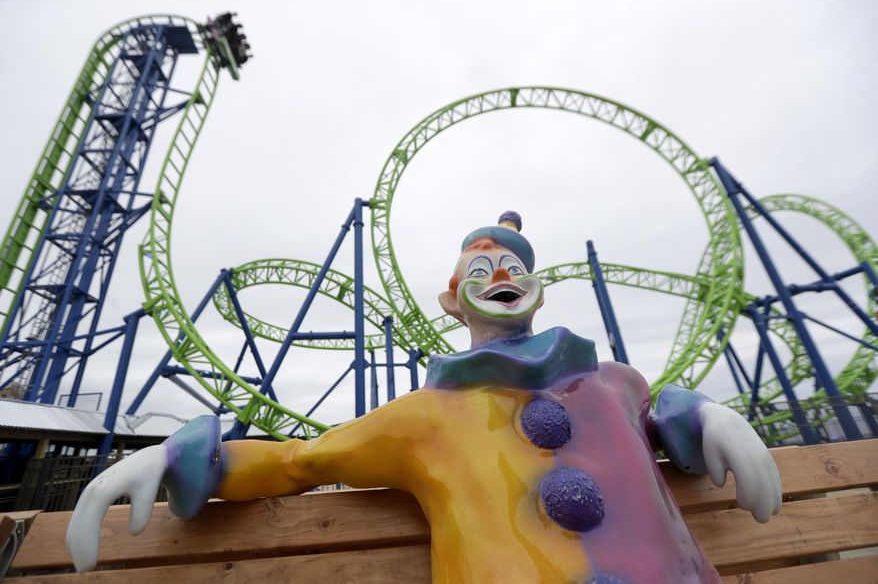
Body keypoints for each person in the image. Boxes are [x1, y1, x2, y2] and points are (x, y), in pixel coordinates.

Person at [67, 212, 781, 583]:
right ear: (453, 299)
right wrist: (185, 457)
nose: (501, 273)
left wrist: (703, 413)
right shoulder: (421, 419)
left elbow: (656, 417)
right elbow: (295, 462)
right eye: (482, 268)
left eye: (511, 266)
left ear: (536, 287)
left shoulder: (615, 383)